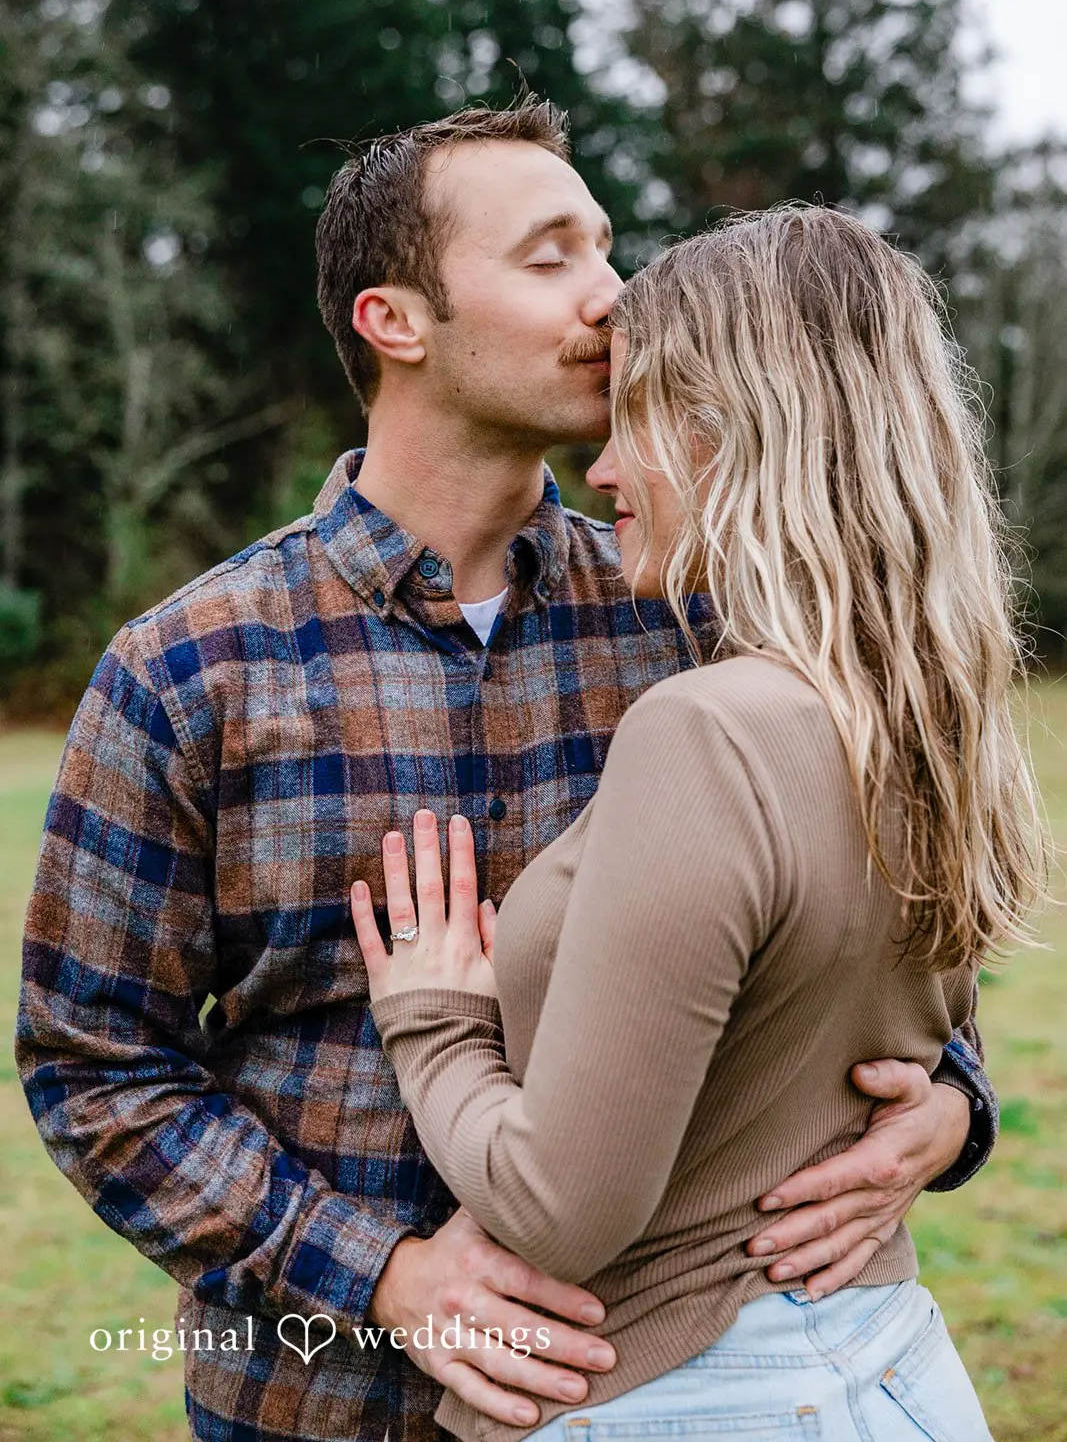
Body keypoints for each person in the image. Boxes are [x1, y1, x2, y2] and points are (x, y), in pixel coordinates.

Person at [18, 103, 995, 1442]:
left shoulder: (698, 608)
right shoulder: (193, 668)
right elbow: (96, 1066)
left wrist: (946, 1102)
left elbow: (866, 925)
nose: (614, 298)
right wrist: (385, 1278)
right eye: (549, 259)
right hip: (318, 1399)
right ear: (395, 322)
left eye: (607, 248)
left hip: (656, 1385)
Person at [352, 203, 1045, 1441]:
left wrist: (432, 1019)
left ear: (736, 433)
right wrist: (945, 1108)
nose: (602, 468)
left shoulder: (707, 728)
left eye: (639, 420)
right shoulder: (925, 709)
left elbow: (559, 1209)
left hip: (695, 1391)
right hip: (883, 1366)